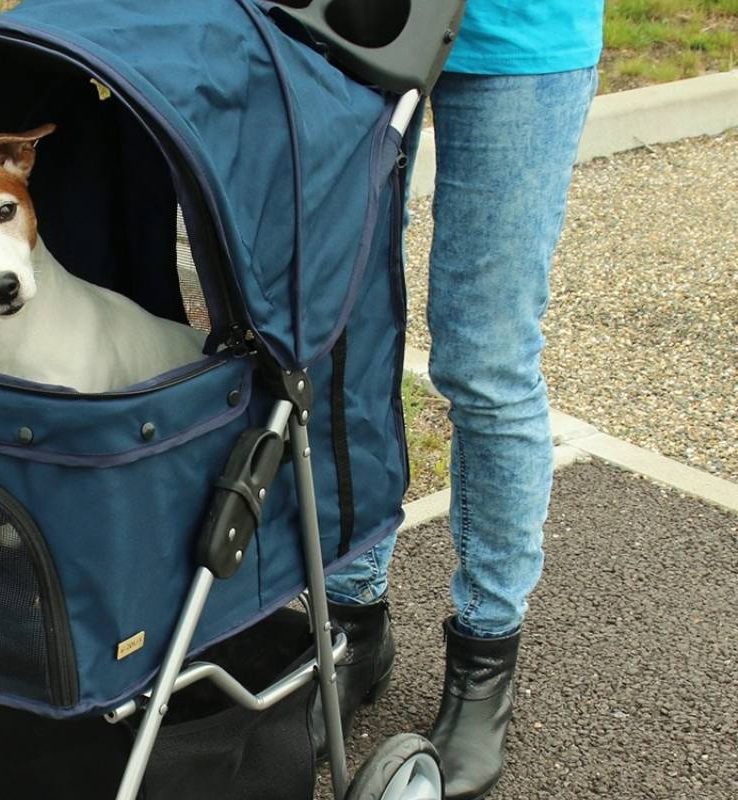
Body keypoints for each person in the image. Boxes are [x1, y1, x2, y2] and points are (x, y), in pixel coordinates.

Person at [315, 3, 606, 799]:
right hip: (355, 21)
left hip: (521, 34)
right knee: (346, 337)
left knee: (489, 362)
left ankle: (486, 663)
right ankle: (352, 624)